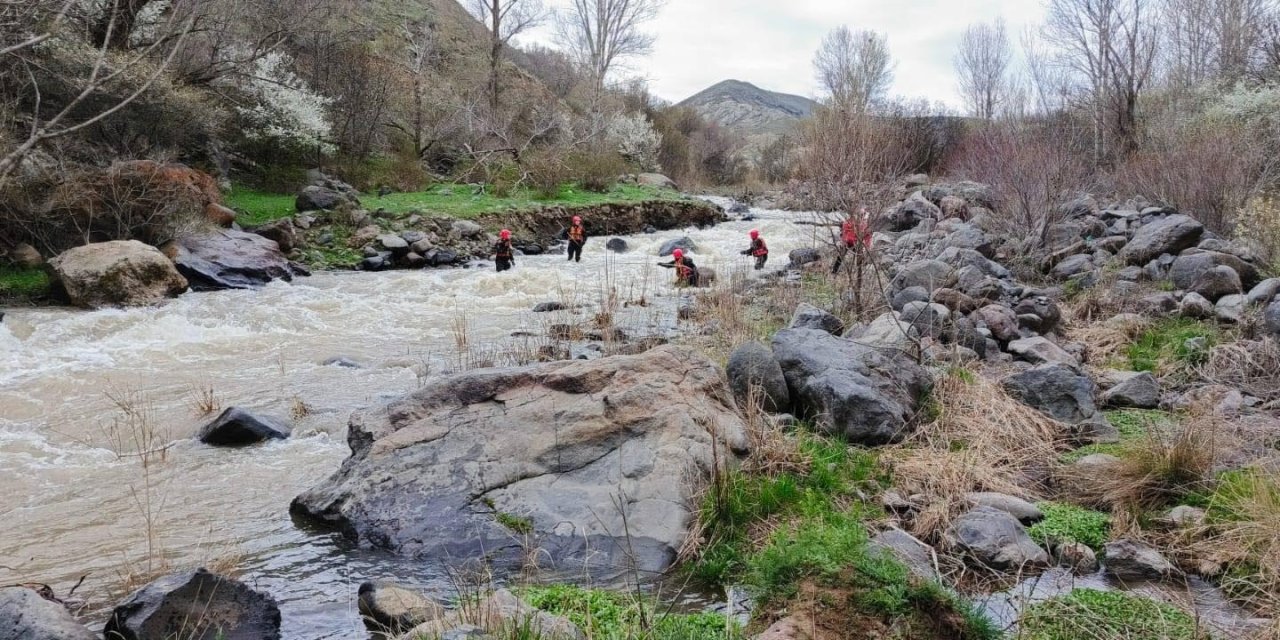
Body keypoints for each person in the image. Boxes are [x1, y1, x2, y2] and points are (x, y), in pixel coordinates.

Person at [831, 208, 871, 274]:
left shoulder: (863, 224)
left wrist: (867, 246)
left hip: (854, 243)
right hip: (847, 242)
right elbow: (844, 231)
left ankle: (859, 272)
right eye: (860, 215)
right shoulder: (850, 222)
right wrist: (843, 241)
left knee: (860, 256)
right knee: (841, 257)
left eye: (862, 215)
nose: (861, 216)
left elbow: (867, 236)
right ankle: (834, 271)